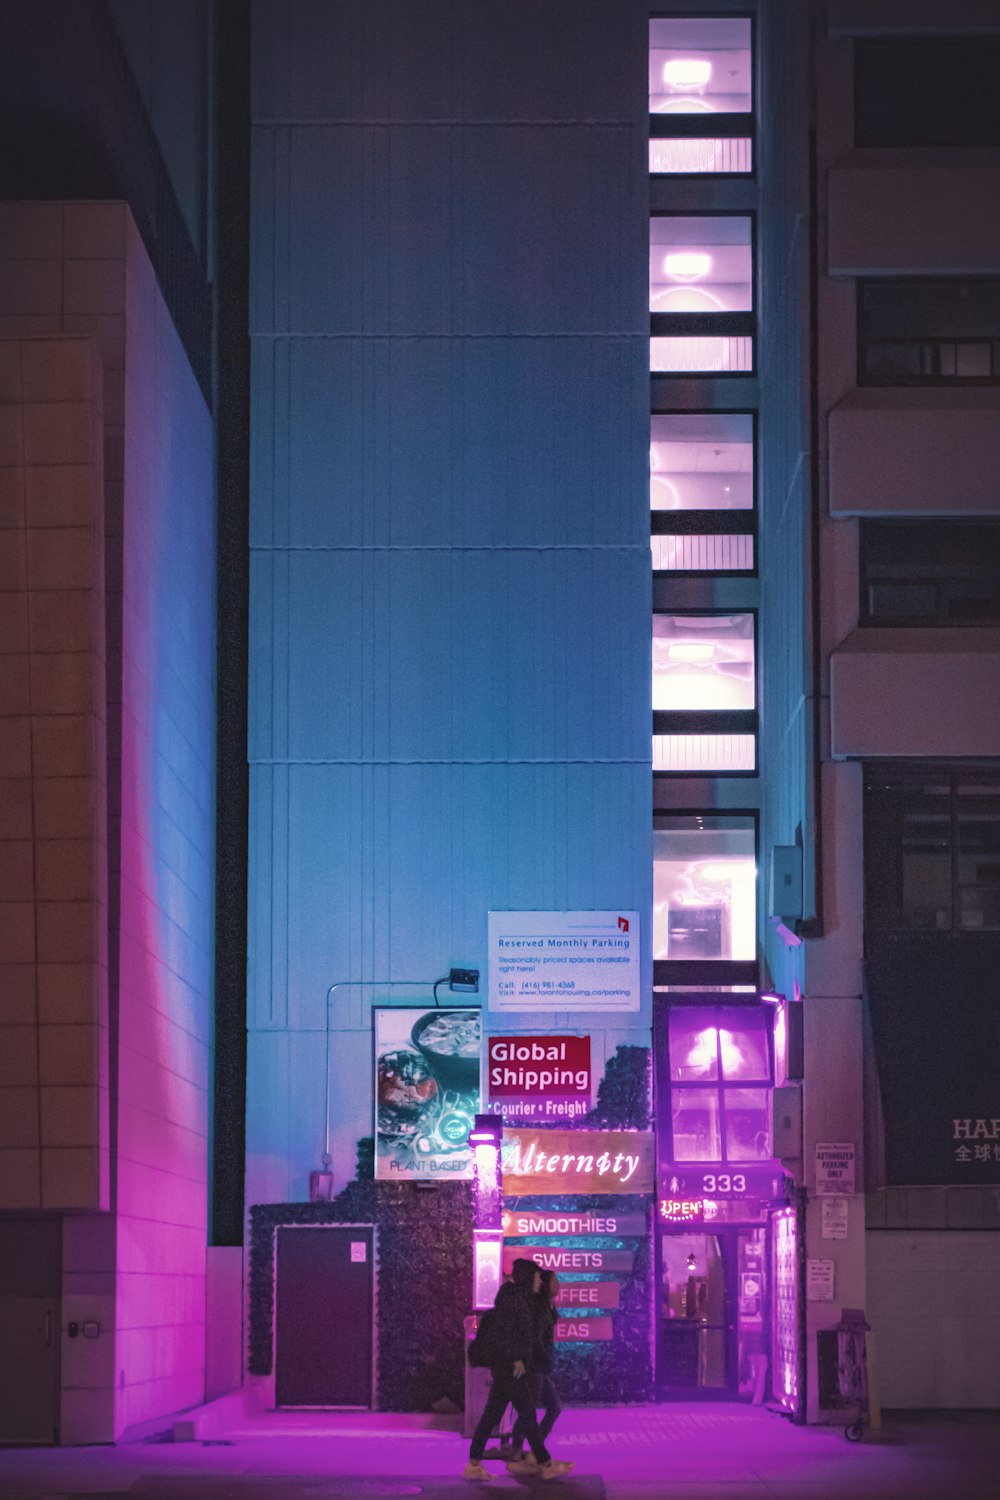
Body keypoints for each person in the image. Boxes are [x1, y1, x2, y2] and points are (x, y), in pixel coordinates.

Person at [464, 1258, 574, 1483]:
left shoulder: (515, 1298)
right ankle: (543, 1463)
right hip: (511, 1367)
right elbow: (510, 1333)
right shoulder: (515, 1301)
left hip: (507, 1367)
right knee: (526, 1414)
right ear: (527, 1277)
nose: (538, 1281)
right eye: (535, 1277)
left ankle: (475, 1463)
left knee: (494, 1415)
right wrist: (517, 1358)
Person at [507, 1268, 563, 1472]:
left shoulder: (547, 1307)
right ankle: (521, 1454)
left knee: (550, 1408)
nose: (559, 1285)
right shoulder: (540, 1310)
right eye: (555, 1281)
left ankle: (527, 1451)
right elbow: (535, 1339)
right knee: (534, 1409)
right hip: (536, 1366)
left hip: (540, 1366)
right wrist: (544, 1359)